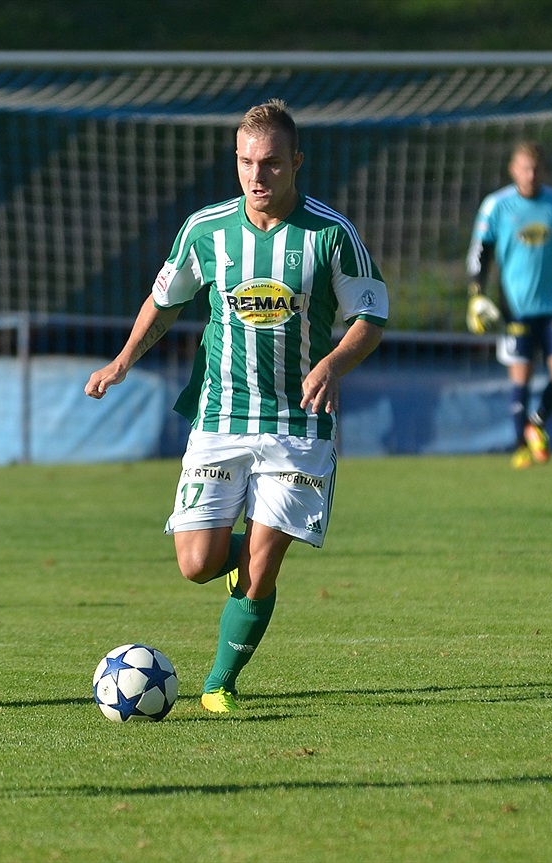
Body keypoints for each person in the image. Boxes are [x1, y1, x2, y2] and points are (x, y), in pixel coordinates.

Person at [85, 99, 388, 713]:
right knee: (197, 564)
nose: (258, 176)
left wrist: (331, 364)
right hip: (220, 417)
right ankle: (243, 560)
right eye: (247, 162)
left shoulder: (332, 234)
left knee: (263, 564)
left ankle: (218, 683)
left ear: (296, 162)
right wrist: (121, 361)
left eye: (272, 163)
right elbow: (165, 300)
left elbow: (372, 318)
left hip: (298, 425)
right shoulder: (206, 230)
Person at [465, 140, 552, 469]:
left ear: (543, 170)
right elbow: (480, 253)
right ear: (513, 169)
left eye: (536, 168)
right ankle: (520, 447)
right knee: (520, 378)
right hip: (516, 308)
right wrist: (476, 294)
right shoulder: (497, 205)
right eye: (525, 168)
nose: (531, 174)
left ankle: (535, 425)